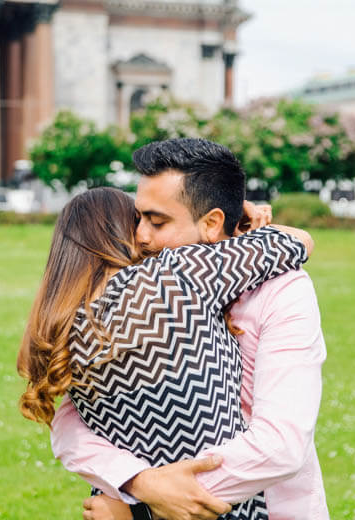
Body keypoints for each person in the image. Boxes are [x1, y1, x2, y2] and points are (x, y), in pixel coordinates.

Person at [51, 138, 329, 520]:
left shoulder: (282, 291)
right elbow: (72, 420)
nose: (141, 237)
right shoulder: (143, 290)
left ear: (212, 223)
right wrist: (138, 481)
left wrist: (143, 511)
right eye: (138, 219)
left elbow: (281, 445)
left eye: (157, 221)